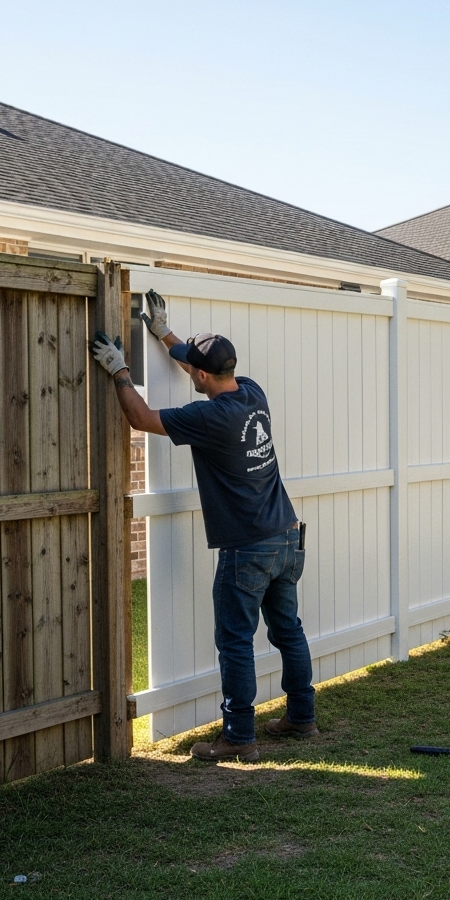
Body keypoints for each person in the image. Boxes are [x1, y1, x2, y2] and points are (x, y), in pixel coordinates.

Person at [91, 290, 318, 761]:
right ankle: (302, 717)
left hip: (248, 547)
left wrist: (120, 371)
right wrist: (162, 333)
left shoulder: (210, 417)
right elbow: (195, 364)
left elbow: (140, 417)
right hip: (285, 535)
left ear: (200, 375)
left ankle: (239, 737)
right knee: (288, 630)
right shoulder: (251, 392)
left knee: (235, 641)